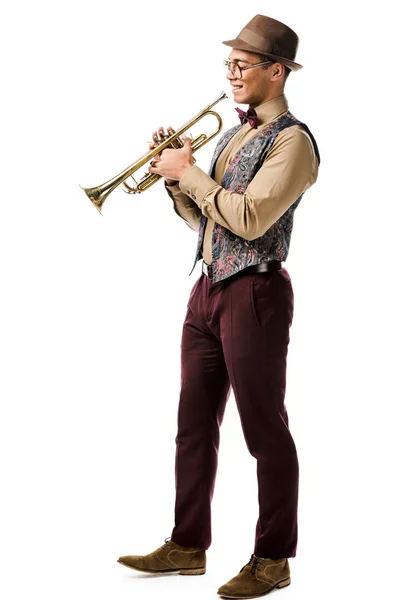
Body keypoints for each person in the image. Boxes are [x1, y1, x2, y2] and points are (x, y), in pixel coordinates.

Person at [117, 14, 320, 599]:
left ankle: (273, 559)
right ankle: (187, 544)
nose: (231, 73)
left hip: (256, 291)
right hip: (207, 287)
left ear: (276, 72)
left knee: (264, 429)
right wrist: (175, 180)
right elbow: (209, 220)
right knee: (192, 424)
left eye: (243, 64)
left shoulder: (294, 142)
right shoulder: (233, 135)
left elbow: (253, 219)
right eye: (228, 63)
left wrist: (191, 176)